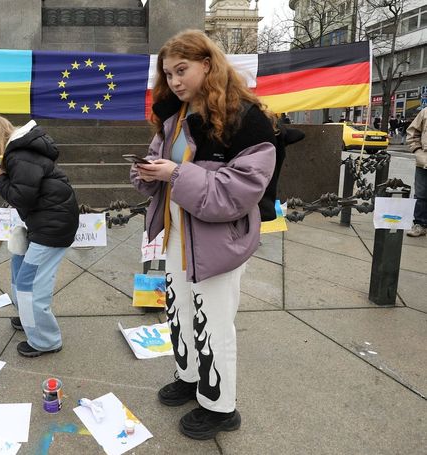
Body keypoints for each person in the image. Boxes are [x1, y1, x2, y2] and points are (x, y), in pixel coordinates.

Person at [130, 30, 276, 440]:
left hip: (219, 240)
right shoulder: (174, 118)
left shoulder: (246, 117)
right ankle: (190, 375)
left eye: (182, 70)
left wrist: (175, 173)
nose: (174, 81)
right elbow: (159, 164)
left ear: (207, 65)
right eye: (168, 74)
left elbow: (237, 192)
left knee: (213, 323)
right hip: (177, 232)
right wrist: (146, 171)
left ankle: (220, 406)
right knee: (178, 312)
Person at [0, 113, 79, 357]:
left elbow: (21, 196)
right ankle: (28, 317)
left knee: (30, 283)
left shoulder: (19, 155)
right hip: (46, 223)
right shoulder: (17, 153)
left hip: (52, 228)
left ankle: (46, 340)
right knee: (20, 271)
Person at [405, 109, 427, 237]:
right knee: (421, 195)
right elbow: (412, 133)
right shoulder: (425, 113)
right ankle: (420, 224)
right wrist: (418, 152)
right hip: (424, 161)